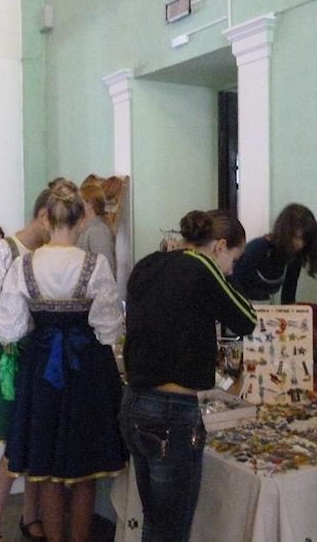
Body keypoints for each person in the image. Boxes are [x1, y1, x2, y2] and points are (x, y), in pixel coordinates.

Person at [0, 178, 125, 542]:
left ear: (46, 219)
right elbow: (108, 327)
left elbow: (9, 328)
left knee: (48, 469)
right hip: (87, 370)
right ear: (81, 220)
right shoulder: (95, 265)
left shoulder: (24, 265)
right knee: (84, 471)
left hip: (41, 369)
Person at [119, 209, 257, 541]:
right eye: (233, 259)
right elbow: (246, 318)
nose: (230, 269)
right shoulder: (202, 267)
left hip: (135, 403)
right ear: (219, 246)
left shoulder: (148, 264)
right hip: (172, 412)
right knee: (172, 530)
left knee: (154, 521)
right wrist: (220, 274)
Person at [0, 189, 51, 542]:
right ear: (43, 215)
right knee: (13, 439)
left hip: (39, 350)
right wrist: (15, 313)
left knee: (36, 435)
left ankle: (31, 515)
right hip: (8, 351)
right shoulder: (6, 249)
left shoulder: (48, 252)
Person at [229, 203, 317, 304]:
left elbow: (288, 296)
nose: (300, 244)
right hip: (239, 305)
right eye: (296, 237)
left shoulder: (295, 256)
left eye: (304, 239)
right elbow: (233, 284)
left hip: (264, 307)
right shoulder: (257, 249)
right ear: (285, 232)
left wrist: (291, 312)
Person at [75, 182, 116, 276]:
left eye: (79, 200)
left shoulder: (98, 231)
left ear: (89, 204)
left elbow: (105, 269)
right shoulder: (84, 228)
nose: (75, 205)